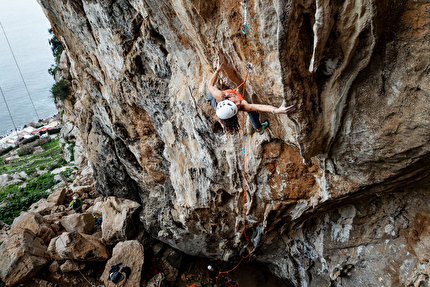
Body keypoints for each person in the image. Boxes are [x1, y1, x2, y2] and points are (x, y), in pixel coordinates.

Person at [206, 62, 296, 134]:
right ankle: (259, 129)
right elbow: (260, 107)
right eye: (237, 107)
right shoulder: (242, 106)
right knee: (251, 111)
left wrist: (217, 70)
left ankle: (208, 98)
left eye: (235, 103)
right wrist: (276, 111)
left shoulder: (219, 94)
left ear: (228, 99)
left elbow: (210, 86)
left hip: (219, 105)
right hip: (221, 108)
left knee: (211, 94)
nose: (238, 103)